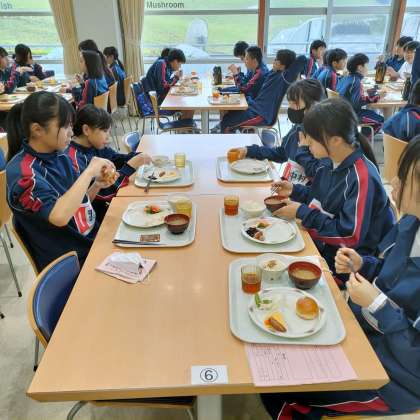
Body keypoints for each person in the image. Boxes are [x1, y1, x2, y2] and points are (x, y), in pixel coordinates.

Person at [261, 135, 420, 420]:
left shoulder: (362, 177)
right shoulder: (411, 223)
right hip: (362, 330)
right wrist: (363, 264)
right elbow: (391, 270)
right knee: (279, 349)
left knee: (281, 386)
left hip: (393, 380)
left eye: (405, 177)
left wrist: (378, 305)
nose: (394, 183)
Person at [270, 98, 393, 274]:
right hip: (321, 245)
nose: (307, 143)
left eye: (312, 138)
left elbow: (349, 236)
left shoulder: (362, 177)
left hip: (343, 264)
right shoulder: (328, 161)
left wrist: (301, 212)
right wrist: (294, 190)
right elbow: (322, 197)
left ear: (335, 140)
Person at [6, 91, 115, 271]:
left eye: (71, 125)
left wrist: (96, 184)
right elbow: (59, 216)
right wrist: (88, 172)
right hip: (73, 262)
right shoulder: (24, 173)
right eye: (65, 127)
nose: (71, 132)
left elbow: (77, 205)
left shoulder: (60, 156)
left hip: (92, 243)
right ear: (37, 130)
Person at [67, 105, 151, 220]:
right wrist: (129, 167)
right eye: (105, 131)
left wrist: (137, 156)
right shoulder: (75, 159)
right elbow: (102, 193)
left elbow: (115, 158)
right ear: (86, 130)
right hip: (97, 216)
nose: (108, 137)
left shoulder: (94, 145)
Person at [228, 79, 325, 178]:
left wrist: (302, 150)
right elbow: (281, 153)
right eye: (290, 104)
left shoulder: (323, 136)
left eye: (294, 104)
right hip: (290, 183)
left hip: (301, 186)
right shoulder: (298, 128)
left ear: (312, 105)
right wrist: (249, 151)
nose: (291, 109)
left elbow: (319, 173)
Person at [221, 50, 306, 133]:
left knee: (227, 122)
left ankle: (224, 139)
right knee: (228, 116)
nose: (274, 62)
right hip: (255, 108)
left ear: (283, 65)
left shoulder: (284, 77)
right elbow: (246, 87)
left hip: (261, 115)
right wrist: (222, 90)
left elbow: (302, 58)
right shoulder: (272, 72)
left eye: (277, 60)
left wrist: (289, 64)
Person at [337, 53, 384, 135]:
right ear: (359, 67)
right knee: (380, 121)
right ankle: (360, 140)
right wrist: (378, 96)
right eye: (366, 66)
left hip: (341, 112)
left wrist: (371, 94)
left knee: (372, 114)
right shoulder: (356, 82)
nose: (367, 69)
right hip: (351, 114)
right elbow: (358, 102)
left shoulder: (346, 78)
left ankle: (357, 136)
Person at [142, 48, 193, 119]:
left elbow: (167, 83)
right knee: (187, 105)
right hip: (156, 101)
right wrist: (176, 77)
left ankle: (184, 124)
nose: (180, 66)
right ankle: (183, 125)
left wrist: (176, 78)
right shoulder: (161, 64)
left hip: (160, 96)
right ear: (175, 61)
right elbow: (162, 87)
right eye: (180, 64)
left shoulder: (168, 66)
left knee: (188, 103)